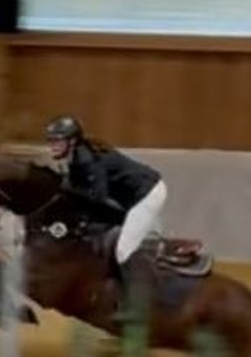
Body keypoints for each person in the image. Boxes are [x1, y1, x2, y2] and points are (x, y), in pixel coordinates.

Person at [45, 116, 168, 281]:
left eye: (57, 141)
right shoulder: (75, 157)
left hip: (148, 194)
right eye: (50, 140)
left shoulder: (87, 161)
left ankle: (140, 294)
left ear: (72, 141)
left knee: (123, 251)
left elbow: (98, 197)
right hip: (132, 196)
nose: (52, 146)